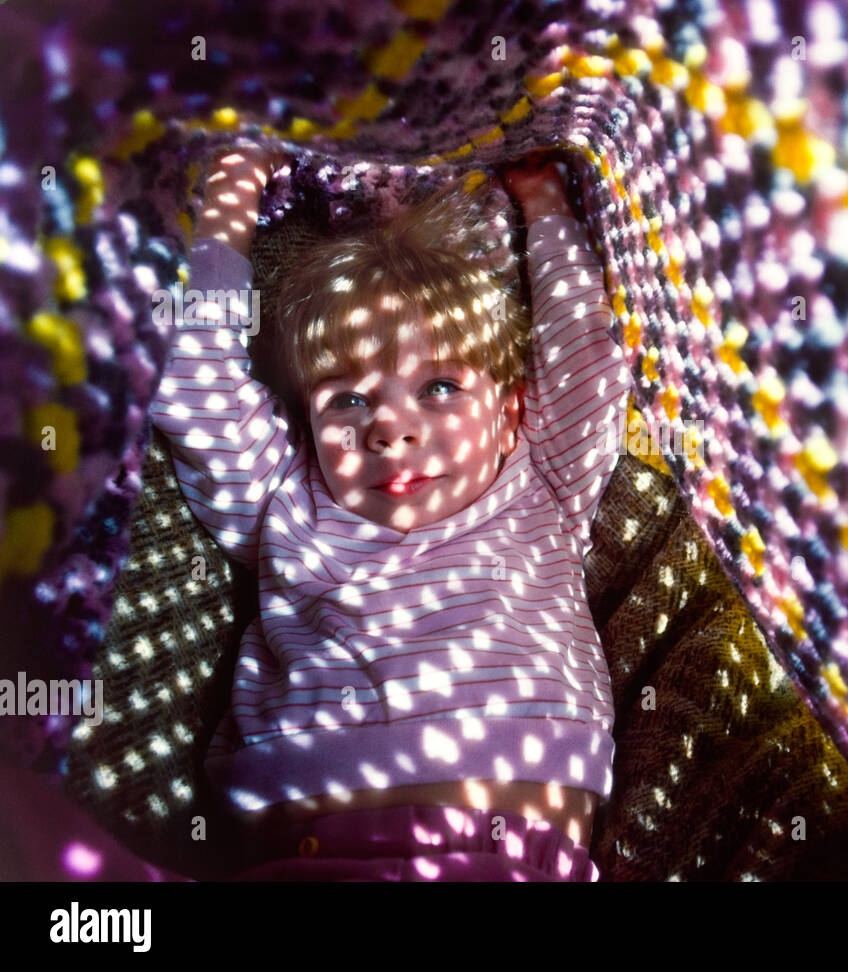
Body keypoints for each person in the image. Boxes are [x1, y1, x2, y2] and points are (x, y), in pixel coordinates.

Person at [0, 142, 632, 882]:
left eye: (439, 388)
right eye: (349, 398)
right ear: (307, 422)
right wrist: (233, 194)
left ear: (511, 410)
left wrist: (545, 204)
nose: (390, 429)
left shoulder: (543, 479)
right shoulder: (286, 496)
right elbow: (194, 369)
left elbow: (588, 352)